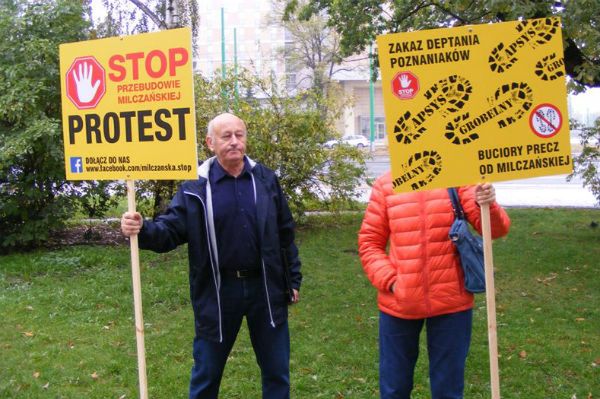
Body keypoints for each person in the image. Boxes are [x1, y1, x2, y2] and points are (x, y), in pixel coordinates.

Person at [121, 112, 302, 399]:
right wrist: (142, 229)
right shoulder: (195, 188)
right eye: (226, 136)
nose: (234, 142)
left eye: (239, 135)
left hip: (265, 289)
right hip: (218, 293)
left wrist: (292, 278)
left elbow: (284, 232)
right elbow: (170, 230)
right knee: (206, 374)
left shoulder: (265, 179)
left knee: (277, 373)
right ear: (210, 142)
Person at [357, 176, 511, 399]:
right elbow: (370, 242)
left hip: (451, 303)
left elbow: (496, 230)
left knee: (448, 391)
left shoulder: (457, 177)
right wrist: (390, 281)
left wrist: (487, 203)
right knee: (394, 389)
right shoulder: (386, 184)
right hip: (400, 304)